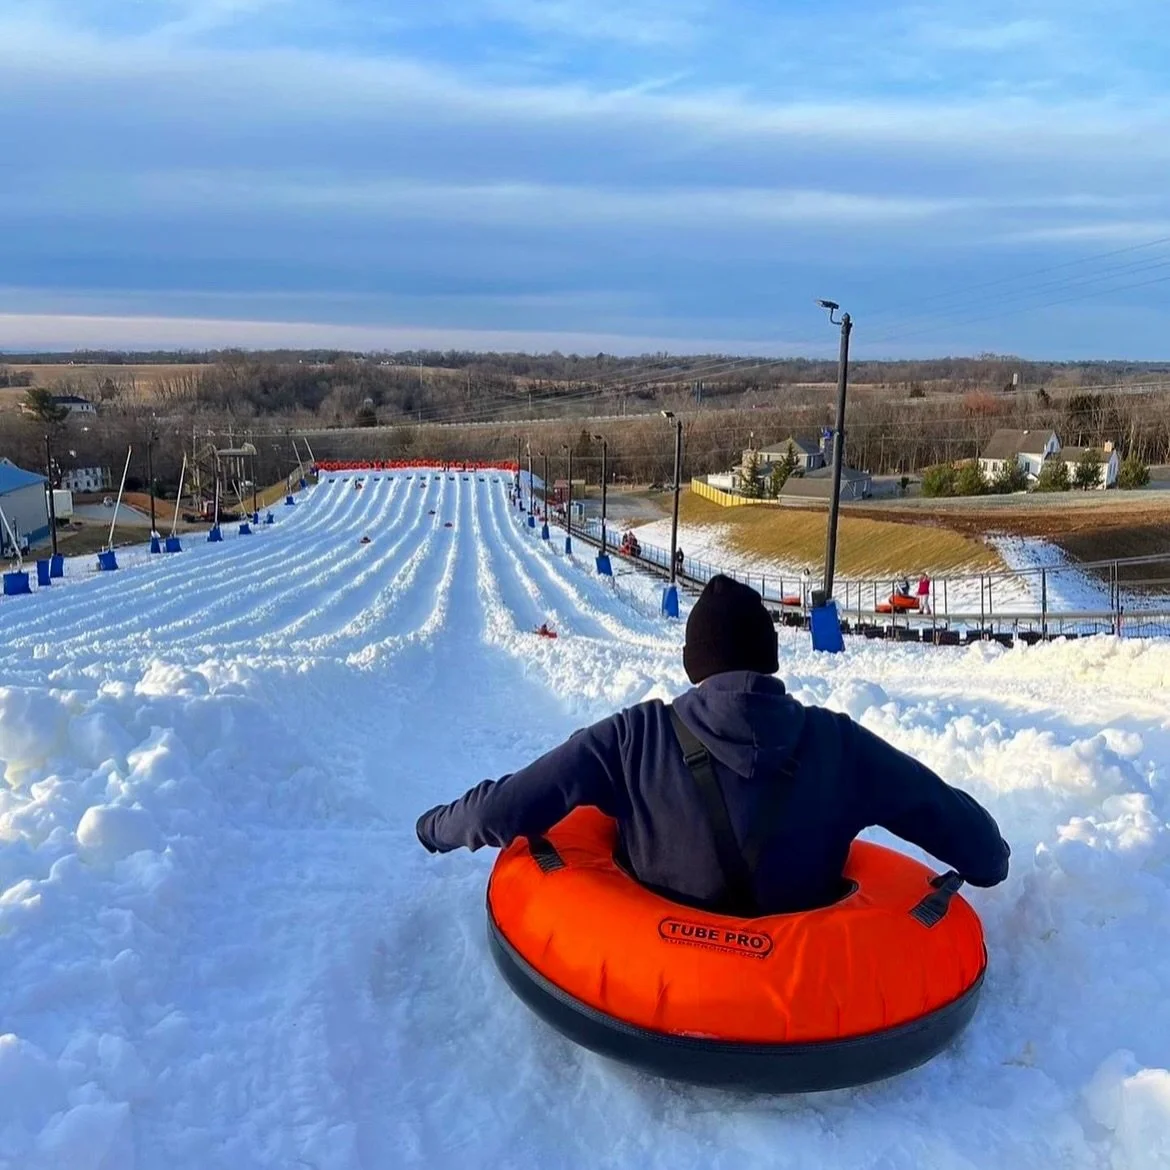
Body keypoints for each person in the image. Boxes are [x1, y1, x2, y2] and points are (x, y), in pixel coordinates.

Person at [415, 575, 1009, 915]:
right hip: (802, 1000)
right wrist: (993, 856)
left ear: (694, 662)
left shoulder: (633, 737)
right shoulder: (841, 746)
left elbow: (501, 810)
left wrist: (434, 827)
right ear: (769, 660)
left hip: (654, 981)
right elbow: (974, 844)